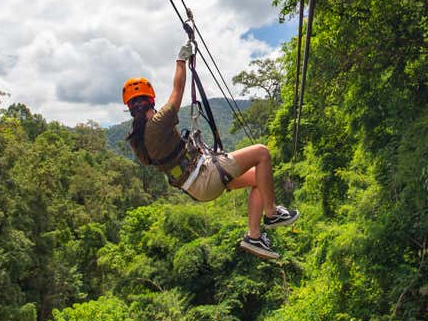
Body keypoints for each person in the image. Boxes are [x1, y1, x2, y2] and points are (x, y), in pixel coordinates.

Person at [122, 41, 298, 259]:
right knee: (261, 152)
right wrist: (181, 60)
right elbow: (177, 91)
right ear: (151, 100)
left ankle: (254, 237)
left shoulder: (137, 139)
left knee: (258, 181)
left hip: (196, 186)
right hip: (205, 176)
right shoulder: (157, 124)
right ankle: (271, 214)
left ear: (130, 108)